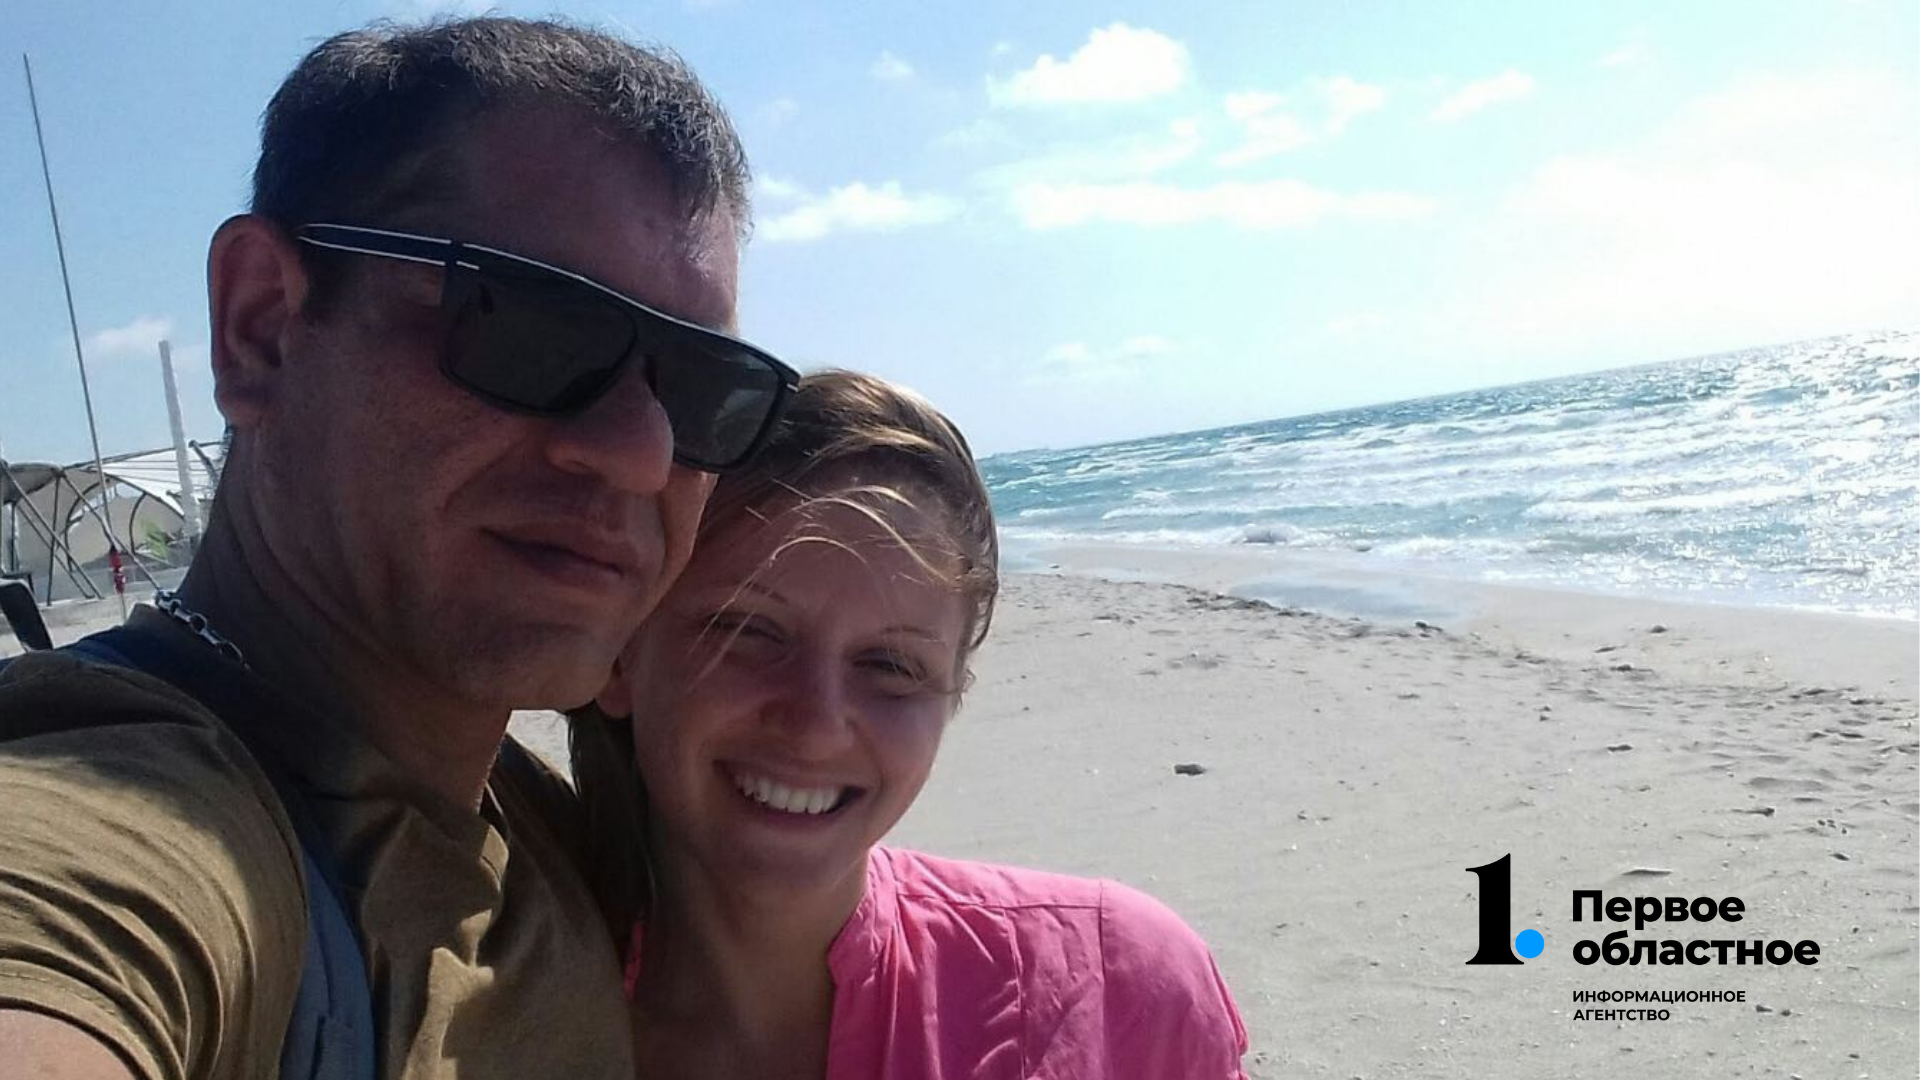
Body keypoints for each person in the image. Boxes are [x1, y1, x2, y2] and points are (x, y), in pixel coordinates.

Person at [0, 17, 794, 1080]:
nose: (641, 454)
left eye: (700, 388)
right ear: (261, 328)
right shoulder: (127, 822)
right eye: (532, 326)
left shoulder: (527, 818)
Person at [571, 371, 1251, 1079]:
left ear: (952, 694)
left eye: (891, 665)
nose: (816, 726)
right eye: (750, 631)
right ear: (623, 656)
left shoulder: (1119, 992)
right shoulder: (511, 1021)